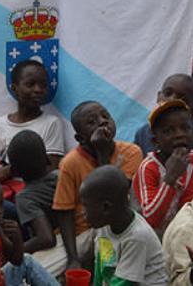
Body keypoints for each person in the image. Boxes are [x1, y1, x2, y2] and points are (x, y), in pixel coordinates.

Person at [55, 101, 144, 270]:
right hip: (84, 232)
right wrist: (73, 259)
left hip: (118, 226)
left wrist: (102, 153)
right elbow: (64, 212)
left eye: (105, 116)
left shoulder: (131, 152)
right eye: (92, 122)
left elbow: (116, 202)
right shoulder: (70, 163)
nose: (102, 122)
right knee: (47, 269)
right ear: (80, 138)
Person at [0, 60, 69, 193]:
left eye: (43, 85)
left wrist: (9, 170)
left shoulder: (51, 123)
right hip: (4, 193)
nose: (38, 90)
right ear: (14, 88)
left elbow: (51, 167)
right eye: (30, 84)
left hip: (35, 193)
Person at [80, 166, 169, 285]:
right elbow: (101, 268)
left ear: (106, 208)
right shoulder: (104, 226)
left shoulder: (137, 236)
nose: (82, 212)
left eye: (86, 206)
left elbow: (124, 283)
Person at [135, 99, 193, 235]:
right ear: (155, 141)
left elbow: (189, 205)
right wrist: (170, 178)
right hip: (149, 235)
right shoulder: (148, 167)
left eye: (185, 128)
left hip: (180, 230)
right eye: (169, 131)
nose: (179, 134)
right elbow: (151, 219)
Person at [132, 74, 193, 162]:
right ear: (158, 96)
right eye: (168, 93)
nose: (172, 99)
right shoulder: (143, 133)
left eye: (182, 100)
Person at [6, 131, 60, 256]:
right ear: (47, 159)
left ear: (14, 171)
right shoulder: (59, 176)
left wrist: (16, 251)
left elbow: (46, 239)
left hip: (55, 241)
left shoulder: (24, 198)